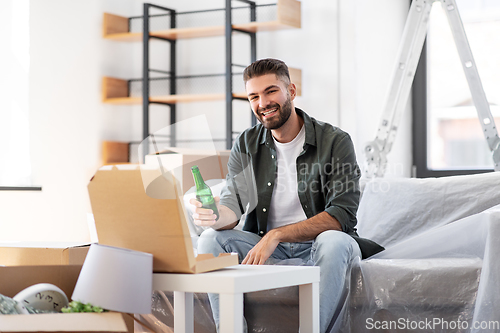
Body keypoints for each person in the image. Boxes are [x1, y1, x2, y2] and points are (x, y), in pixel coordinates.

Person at [190, 58, 383, 333]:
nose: (262, 103)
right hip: (267, 247)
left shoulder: (335, 141)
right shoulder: (246, 143)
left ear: (291, 91)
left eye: (271, 91)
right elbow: (233, 204)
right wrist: (214, 215)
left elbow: (341, 215)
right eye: (253, 96)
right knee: (209, 239)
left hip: (321, 245)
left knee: (333, 241)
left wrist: (276, 235)